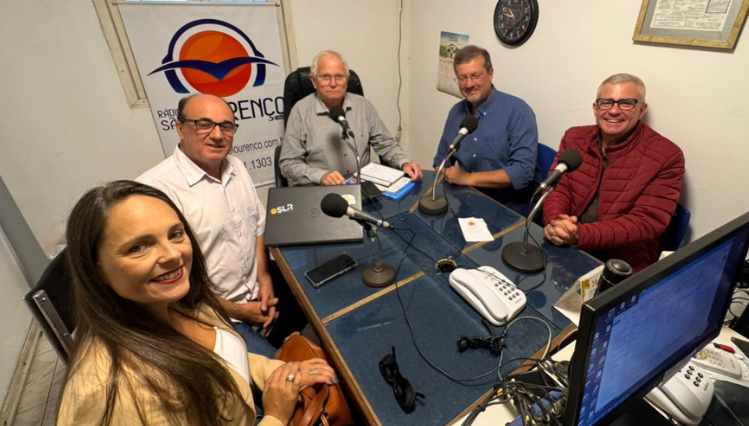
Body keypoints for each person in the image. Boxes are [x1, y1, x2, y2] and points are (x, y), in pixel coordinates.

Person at [56, 181, 336, 426]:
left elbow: (223, 358)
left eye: (175, 234)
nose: (172, 255)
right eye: (138, 247)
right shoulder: (112, 394)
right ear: (96, 269)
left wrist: (282, 373)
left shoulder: (175, 299)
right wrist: (275, 418)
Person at [138, 94, 297, 357]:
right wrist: (239, 311)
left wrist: (265, 279)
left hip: (258, 289)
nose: (217, 135)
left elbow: (257, 227)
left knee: (319, 304)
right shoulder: (155, 191)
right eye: (204, 124)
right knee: (279, 372)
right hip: (211, 313)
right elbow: (166, 287)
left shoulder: (237, 166)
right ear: (180, 128)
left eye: (226, 126)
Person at [543, 73, 685, 272]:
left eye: (626, 103)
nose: (614, 111)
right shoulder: (574, 137)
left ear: (642, 109)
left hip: (621, 262)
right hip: (565, 244)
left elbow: (646, 222)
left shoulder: (667, 156)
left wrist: (579, 235)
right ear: (595, 108)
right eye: (606, 103)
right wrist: (557, 222)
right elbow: (557, 187)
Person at [280, 50, 422, 186]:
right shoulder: (300, 112)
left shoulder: (363, 106)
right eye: (325, 77)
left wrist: (404, 162)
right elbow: (288, 164)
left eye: (339, 77)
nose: (333, 83)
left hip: (362, 186)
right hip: (320, 189)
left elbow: (385, 144)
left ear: (347, 80)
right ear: (313, 81)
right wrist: (320, 176)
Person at [432, 45, 538, 215]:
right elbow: (441, 161)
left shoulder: (518, 112)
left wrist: (467, 178)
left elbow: (522, 173)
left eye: (476, 76)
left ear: (490, 74)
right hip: (465, 203)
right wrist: (445, 173)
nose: (469, 84)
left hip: (506, 211)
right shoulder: (456, 112)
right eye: (462, 78)